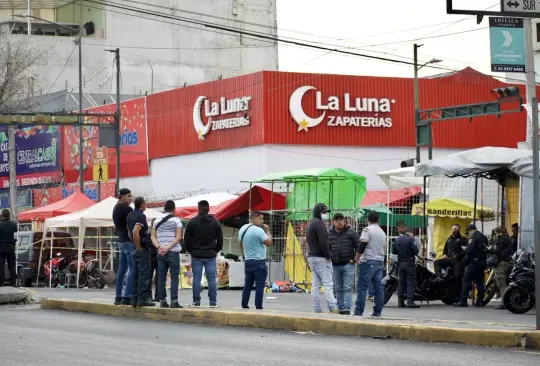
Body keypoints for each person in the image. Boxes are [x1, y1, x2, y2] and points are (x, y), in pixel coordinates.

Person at [184, 200, 223, 307]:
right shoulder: (215, 222)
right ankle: (213, 302)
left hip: (196, 254)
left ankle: (196, 301)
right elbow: (220, 239)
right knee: (211, 278)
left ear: (198, 208)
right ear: (208, 209)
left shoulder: (192, 222)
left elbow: (186, 239)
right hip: (210, 254)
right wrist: (216, 250)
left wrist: (191, 250)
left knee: (196, 278)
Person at [306, 203, 338, 314]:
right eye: (324, 212)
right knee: (328, 284)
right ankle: (332, 307)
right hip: (321, 257)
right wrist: (328, 256)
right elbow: (323, 242)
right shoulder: (319, 223)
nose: (325, 214)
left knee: (315, 285)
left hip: (311, 257)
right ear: (319, 211)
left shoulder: (310, 223)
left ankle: (317, 308)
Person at [354, 210, 387, 317]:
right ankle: (377, 312)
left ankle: (358, 312)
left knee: (362, 286)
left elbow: (363, 244)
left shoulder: (367, 230)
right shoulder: (382, 232)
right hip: (379, 261)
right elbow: (385, 248)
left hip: (368, 261)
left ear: (366, 219)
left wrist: (357, 257)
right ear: (378, 220)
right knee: (378, 288)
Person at [151, 200, 183, 309]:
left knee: (161, 277)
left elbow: (153, 237)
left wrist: (159, 247)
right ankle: (174, 301)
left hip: (160, 253)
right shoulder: (176, 221)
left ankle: (162, 300)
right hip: (173, 252)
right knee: (174, 276)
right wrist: (168, 247)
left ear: (164, 209)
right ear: (174, 209)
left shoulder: (156, 220)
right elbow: (178, 237)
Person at [239, 211, 272, 310]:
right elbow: (269, 242)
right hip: (259, 262)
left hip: (248, 260)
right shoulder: (259, 231)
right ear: (254, 219)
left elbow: (240, 245)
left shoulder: (242, 229)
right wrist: (268, 231)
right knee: (259, 285)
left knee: (248, 284)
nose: (263, 221)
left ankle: (244, 304)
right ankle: (258, 306)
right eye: (261, 218)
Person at [328, 213, 360, 315]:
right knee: (338, 288)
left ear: (344, 221)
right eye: (337, 220)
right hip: (335, 265)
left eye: (341, 219)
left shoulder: (351, 232)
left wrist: (354, 259)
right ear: (333, 222)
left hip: (348, 264)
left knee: (347, 288)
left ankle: (346, 309)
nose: (339, 222)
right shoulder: (329, 233)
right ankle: (340, 308)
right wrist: (329, 258)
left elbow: (359, 246)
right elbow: (326, 247)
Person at [127, 197, 155, 308]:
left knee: (135, 274)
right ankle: (143, 299)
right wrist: (139, 247)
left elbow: (129, 233)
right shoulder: (141, 216)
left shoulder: (129, 215)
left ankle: (134, 299)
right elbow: (135, 232)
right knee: (144, 275)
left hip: (133, 248)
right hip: (141, 249)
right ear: (142, 205)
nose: (146, 205)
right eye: (145, 204)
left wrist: (134, 244)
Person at [454, 224, 488, 308]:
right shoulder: (483, 237)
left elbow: (469, 249)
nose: (468, 234)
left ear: (470, 231)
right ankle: (479, 301)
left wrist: (465, 259)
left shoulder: (473, 237)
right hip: (482, 263)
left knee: (466, 280)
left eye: (468, 232)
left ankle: (463, 301)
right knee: (480, 282)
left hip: (473, 263)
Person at [112, 188, 134, 305]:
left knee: (121, 270)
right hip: (128, 241)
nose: (131, 199)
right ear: (122, 197)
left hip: (120, 241)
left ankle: (118, 296)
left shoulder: (115, 208)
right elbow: (132, 227)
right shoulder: (128, 209)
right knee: (131, 267)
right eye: (129, 196)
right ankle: (127, 296)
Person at [392, 228, 420, 308]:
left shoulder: (397, 239)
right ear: (411, 233)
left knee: (401, 282)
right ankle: (410, 302)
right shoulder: (411, 239)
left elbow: (393, 251)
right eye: (413, 234)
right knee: (410, 282)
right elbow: (415, 251)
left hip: (401, 263)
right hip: (409, 263)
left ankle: (400, 301)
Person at [489, 226, 513, 310]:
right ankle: (506, 300)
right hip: (506, 262)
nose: (495, 235)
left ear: (499, 232)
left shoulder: (502, 240)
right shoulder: (507, 239)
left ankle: (504, 302)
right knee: (504, 282)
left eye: (496, 233)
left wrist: (490, 249)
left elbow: (497, 250)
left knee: (501, 283)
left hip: (501, 263)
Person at [0, 209, 18, 287]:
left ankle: (1, 282)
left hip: (1, 248)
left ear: (2, 215)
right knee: (12, 265)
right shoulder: (13, 224)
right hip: (11, 247)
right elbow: (15, 231)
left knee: (1, 266)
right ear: (9, 215)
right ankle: (13, 282)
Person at [148, 225, 159, 303]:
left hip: (151, 256)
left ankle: (149, 296)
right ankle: (158, 296)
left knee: (149, 277)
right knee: (158, 277)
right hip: (157, 256)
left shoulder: (148, 233)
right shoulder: (160, 233)